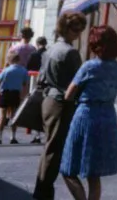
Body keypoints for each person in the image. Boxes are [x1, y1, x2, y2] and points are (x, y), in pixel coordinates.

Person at [59, 25, 117, 200]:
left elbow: (69, 94)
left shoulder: (89, 66)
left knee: (67, 168)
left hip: (86, 115)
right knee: (93, 173)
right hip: (108, 116)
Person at [32, 11, 88, 200]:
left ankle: (42, 189)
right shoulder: (70, 52)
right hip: (62, 101)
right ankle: (44, 191)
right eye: (76, 29)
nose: (79, 33)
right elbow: (78, 80)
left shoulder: (50, 49)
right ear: (68, 29)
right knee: (54, 149)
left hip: (48, 99)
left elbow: (41, 77)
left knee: (49, 147)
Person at [0, 55, 28, 144]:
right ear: (18, 60)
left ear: (9, 60)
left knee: (2, 116)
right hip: (16, 94)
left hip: (6, 93)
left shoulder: (6, 70)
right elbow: (24, 84)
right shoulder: (23, 70)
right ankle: (13, 137)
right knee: (14, 116)